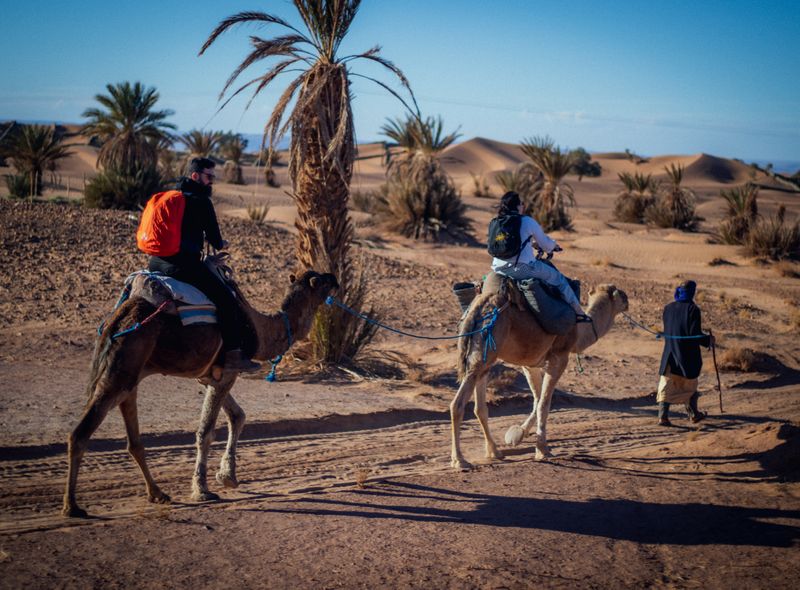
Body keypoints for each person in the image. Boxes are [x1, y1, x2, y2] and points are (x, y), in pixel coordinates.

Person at [148, 157, 260, 373]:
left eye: (213, 177)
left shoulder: (170, 196)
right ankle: (234, 355)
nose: (211, 181)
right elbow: (215, 241)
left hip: (155, 263)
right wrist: (222, 243)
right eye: (209, 176)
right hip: (182, 267)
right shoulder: (201, 202)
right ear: (195, 176)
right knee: (227, 300)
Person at [490, 191, 587, 318]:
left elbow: (508, 241)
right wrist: (553, 246)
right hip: (522, 268)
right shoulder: (527, 221)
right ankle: (579, 313)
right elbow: (546, 244)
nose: (523, 206)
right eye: (522, 203)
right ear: (517, 206)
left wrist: (532, 244)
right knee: (559, 279)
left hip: (498, 268)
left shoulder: (496, 222)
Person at [657, 280, 715, 426]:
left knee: (666, 384)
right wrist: (708, 340)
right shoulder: (693, 309)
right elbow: (693, 334)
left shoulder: (668, 308)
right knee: (690, 385)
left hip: (670, 353)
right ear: (692, 292)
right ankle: (693, 414)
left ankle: (663, 417)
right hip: (687, 356)